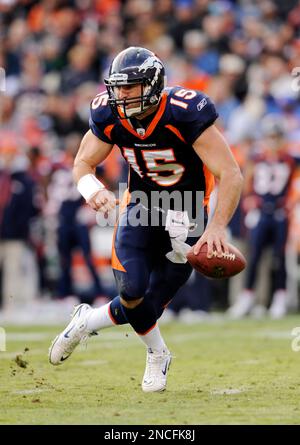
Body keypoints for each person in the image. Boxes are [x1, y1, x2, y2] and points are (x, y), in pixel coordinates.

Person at [49, 47, 243, 392]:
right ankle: (158, 352)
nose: (120, 95)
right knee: (131, 290)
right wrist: (91, 189)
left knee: (150, 303)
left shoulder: (186, 112)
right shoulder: (108, 113)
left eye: (129, 87)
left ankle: (88, 320)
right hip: (141, 205)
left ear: (152, 85)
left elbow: (230, 173)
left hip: (188, 211)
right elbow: (82, 162)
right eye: (117, 87)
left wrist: (215, 227)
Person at [227, 116, 297, 319]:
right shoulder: (257, 158)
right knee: (254, 256)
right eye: (270, 136)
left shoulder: (291, 158)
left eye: (276, 136)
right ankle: (247, 297)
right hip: (261, 212)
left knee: (280, 257)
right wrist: (250, 203)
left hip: (281, 212)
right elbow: (247, 183)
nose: (273, 141)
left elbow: (295, 184)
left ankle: (279, 298)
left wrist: (291, 203)